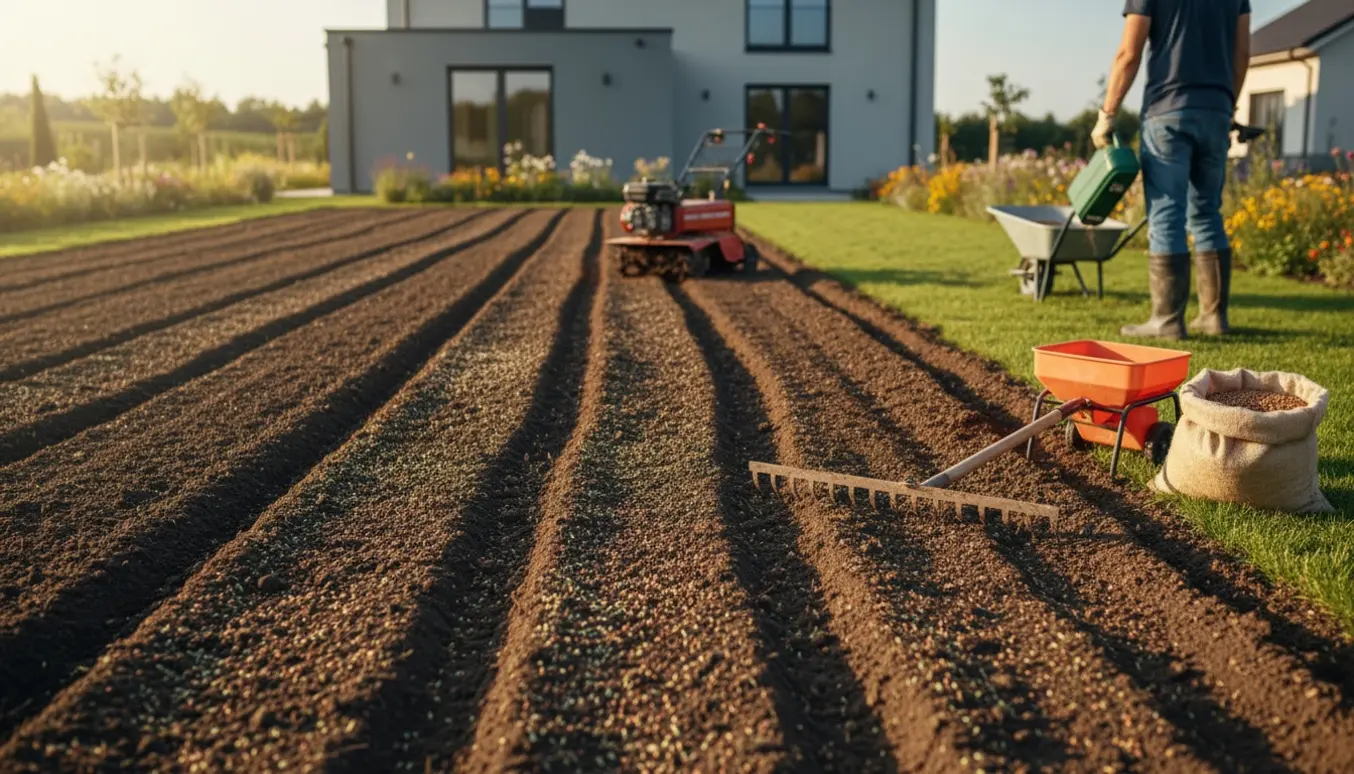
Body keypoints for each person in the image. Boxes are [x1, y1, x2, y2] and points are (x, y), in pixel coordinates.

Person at [1093, 0, 1252, 339]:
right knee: (1208, 212)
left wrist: (1107, 114)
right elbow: (1242, 56)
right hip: (1217, 112)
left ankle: (1166, 321)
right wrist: (1227, 106)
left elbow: (1128, 54)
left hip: (1167, 111)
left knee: (1166, 212)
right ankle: (1214, 318)